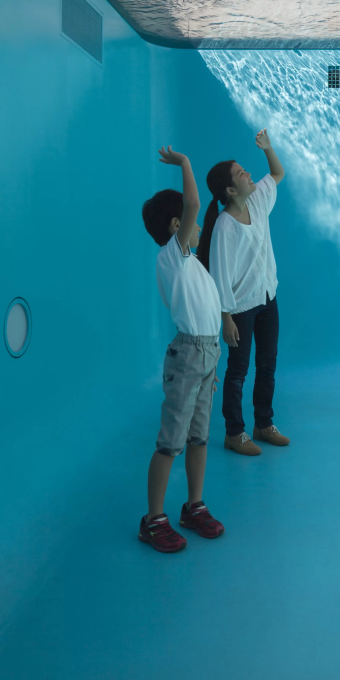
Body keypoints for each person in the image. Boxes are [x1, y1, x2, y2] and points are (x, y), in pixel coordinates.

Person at [139, 146, 225, 553]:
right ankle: (153, 520)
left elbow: (208, 319)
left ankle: (194, 506)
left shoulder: (193, 266)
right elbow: (192, 203)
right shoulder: (173, 257)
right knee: (170, 441)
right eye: (191, 223)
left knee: (199, 437)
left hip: (205, 357)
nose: (198, 227)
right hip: (188, 356)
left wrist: (213, 366)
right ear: (177, 226)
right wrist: (186, 163)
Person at [197, 129, 288, 456]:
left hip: (268, 298)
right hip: (241, 309)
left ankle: (264, 424)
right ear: (230, 190)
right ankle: (234, 432)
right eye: (241, 173)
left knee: (267, 364)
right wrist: (226, 319)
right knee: (238, 371)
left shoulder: (258, 199)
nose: (249, 174)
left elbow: (277, 173)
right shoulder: (225, 227)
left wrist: (268, 148)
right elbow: (220, 276)